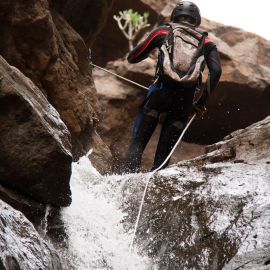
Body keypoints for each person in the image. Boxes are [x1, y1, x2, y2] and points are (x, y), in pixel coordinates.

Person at [123, 1, 222, 173]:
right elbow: (217, 71)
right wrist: (200, 103)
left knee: (138, 143)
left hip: (159, 93)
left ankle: (125, 180)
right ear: (196, 20)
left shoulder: (163, 31)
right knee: (163, 157)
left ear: (175, 15)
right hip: (184, 101)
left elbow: (133, 58)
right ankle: (155, 183)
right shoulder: (206, 42)